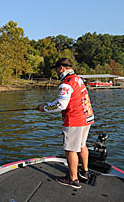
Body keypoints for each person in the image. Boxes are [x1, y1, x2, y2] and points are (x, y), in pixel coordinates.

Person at [37, 58, 94, 189]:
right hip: (87, 117)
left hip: (75, 120)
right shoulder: (77, 78)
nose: (56, 71)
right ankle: (85, 172)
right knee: (82, 145)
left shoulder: (66, 83)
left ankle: (73, 179)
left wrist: (44, 108)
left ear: (61, 68)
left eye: (57, 69)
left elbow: (61, 104)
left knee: (70, 150)